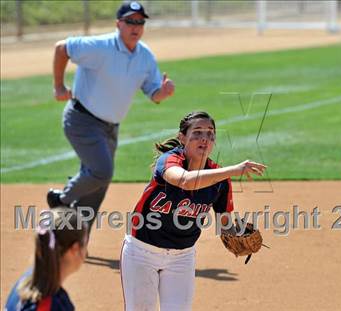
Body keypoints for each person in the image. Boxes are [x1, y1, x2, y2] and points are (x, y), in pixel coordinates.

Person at [47, 1, 175, 231]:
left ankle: (76, 233)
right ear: (119, 23)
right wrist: (58, 87)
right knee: (101, 172)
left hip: (110, 127)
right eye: (130, 21)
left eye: (140, 22)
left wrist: (162, 93)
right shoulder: (100, 46)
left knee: (99, 184)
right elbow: (61, 48)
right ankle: (60, 200)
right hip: (82, 119)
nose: (135, 26)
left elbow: (153, 93)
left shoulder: (145, 56)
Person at [120, 111, 266, 311]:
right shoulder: (169, 160)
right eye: (197, 132)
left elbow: (225, 223)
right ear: (182, 137)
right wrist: (233, 170)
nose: (204, 138)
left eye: (210, 133)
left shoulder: (219, 179)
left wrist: (237, 233)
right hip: (142, 251)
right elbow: (186, 181)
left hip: (182, 257)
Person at [5, 207, 89, 310]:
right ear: (75, 249)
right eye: (85, 244)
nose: (86, 252)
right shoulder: (48, 304)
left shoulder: (27, 281)